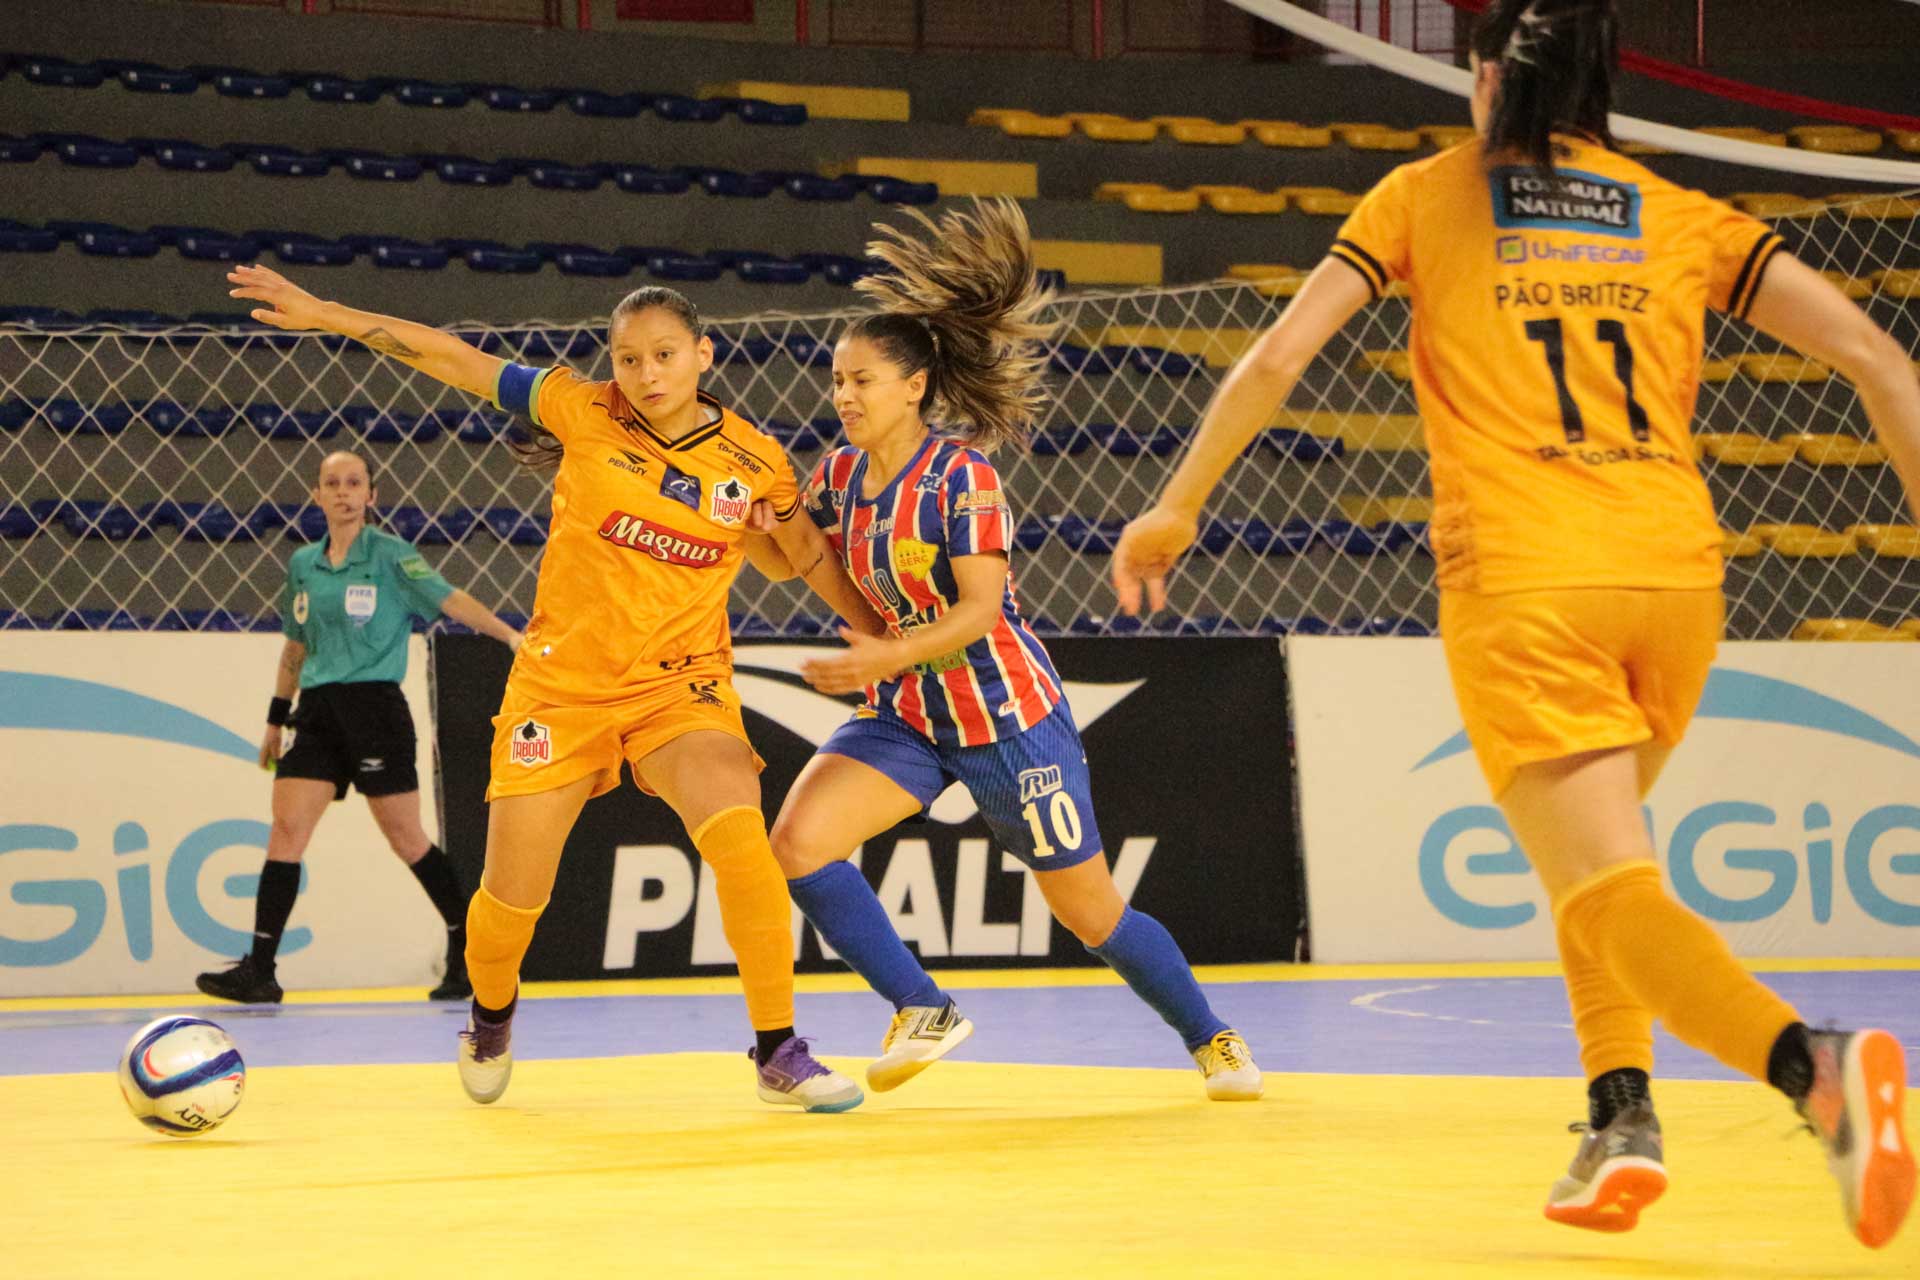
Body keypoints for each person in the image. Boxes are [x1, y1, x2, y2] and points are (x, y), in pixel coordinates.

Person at [1111, 0, 1916, 1247]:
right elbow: (1876, 356)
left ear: (1482, 78)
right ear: (1608, 88)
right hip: (1679, 578)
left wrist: (1175, 505)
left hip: (1530, 573)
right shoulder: (1680, 212)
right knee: (1598, 872)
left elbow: (1278, 358)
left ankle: (1814, 1065)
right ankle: (1621, 1110)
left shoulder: (1425, 194)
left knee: (1603, 883)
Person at [224, 263, 886, 1113]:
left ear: (703, 355)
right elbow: (454, 358)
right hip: (559, 692)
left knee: (741, 843)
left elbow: (806, 561)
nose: (646, 374)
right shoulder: (581, 406)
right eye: (629, 358)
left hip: (679, 690)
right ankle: (491, 1017)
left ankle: (777, 1050)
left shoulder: (753, 459)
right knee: (508, 906)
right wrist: (329, 315)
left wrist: (883, 636)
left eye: (665, 355)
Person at [744, 198, 1261, 1102]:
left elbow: (982, 611)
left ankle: (1212, 1038)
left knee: (1093, 915)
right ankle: (924, 1007)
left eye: (862, 380)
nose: (844, 396)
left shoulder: (961, 476)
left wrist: (878, 658)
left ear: (913, 388)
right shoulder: (834, 475)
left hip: (1008, 720)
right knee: (797, 841)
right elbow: (807, 570)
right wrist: (745, 527)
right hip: (908, 716)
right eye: (836, 381)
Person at [196, 449, 521, 1006]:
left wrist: (509, 636)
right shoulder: (305, 564)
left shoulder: (392, 557)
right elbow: (296, 644)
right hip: (318, 711)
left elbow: (450, 600)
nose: (343, 492)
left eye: (353, 483)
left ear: (371, 495)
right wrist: (276, 718)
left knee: (407, 837)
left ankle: (472, 952)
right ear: (317, 495)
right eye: (331, 483)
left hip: (375, 710)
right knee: (286, 829)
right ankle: (261, 969)